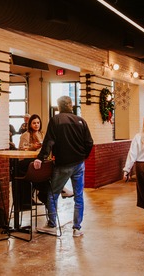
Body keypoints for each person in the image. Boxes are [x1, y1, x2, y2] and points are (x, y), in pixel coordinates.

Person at [33, 96, 94, 237]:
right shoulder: (81, 121)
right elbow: (89, 142)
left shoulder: (56, 120)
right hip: (79, 164)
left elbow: (49, 142)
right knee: (79, 196)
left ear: (59, 106)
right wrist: (83, 156)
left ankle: (52, 225)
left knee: (53, 194)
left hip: (63, 165)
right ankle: (77, 229)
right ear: (71, 105)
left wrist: (40, 158)